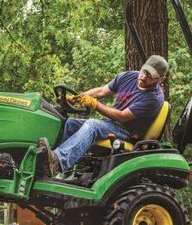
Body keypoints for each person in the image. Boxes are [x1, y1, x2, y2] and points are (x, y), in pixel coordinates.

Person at [40, 55, 169, 177]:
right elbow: (102, 91)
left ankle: (58, 162)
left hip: (127, 132)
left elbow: (122, 116)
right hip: (111, 124)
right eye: (144, 71)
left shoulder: (154, 99)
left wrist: (95, 104)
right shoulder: (128, 77)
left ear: (160, 79)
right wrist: (77, 98)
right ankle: (48, 163)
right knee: (70, 124)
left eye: (150, 76)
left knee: (93, 125)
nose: (143, 77)